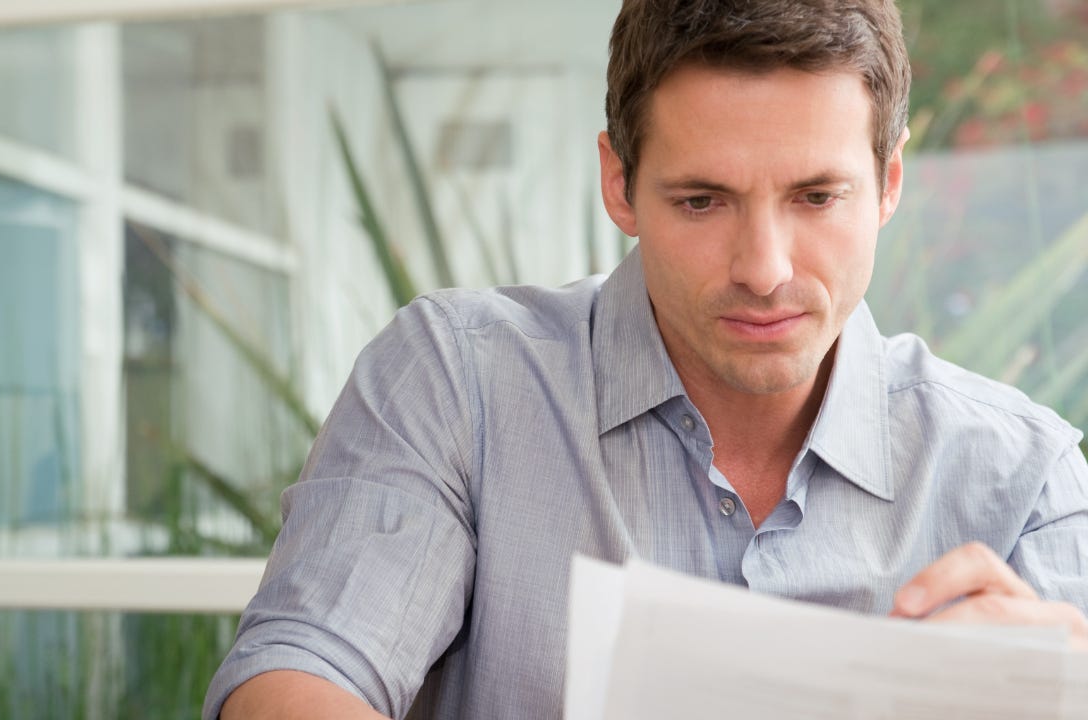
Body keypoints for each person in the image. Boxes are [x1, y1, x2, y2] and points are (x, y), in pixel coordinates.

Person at [205, 0, 1088, 717]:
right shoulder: (458, 381)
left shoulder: (1024, 478)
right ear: (619, 183)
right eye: (703, 200)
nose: (765, 270)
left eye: (818, 197)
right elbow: (304, 670)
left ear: (890, 183)